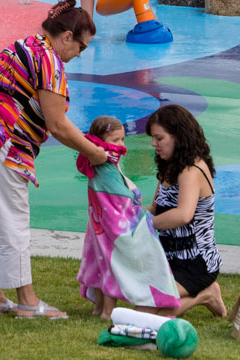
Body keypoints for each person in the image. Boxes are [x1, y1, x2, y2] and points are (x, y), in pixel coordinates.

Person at [0, 0, 110, 319]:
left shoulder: (24, 45)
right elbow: (57, 124)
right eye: (81, 46)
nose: (79, 54)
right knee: (13, 222)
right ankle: (27, 301)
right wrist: (95, 152)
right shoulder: (50, 61)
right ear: (67, 37)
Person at [76, 114, 182, 318]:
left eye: (122, 139)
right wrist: (136, 208)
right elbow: (115, 195)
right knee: (112, 265)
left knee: (100, 264)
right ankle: (107, 310)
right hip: (112, 225)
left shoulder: (108, 160)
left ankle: (99, 308)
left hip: (101, 223)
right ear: (99, 140)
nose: (120, 145)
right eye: (115, 140)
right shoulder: (101, 159)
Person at [147, 104, 226, 317]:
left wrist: (144, 223)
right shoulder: (168, 165)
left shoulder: (192, 170)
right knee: (143, 307)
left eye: (159, 138)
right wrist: (125, 212)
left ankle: (206, 294)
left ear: (178, 136)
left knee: (155, 315)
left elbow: (183, 215)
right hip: (169, 256)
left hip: (197, 261)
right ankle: (199, 294)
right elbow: (155, 208)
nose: (154, 144)